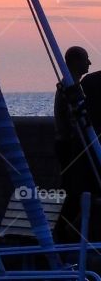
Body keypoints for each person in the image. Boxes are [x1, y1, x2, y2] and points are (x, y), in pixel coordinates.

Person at [53, 45, 101, 242]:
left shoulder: (71, 86)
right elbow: (75, 121)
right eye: (86, 59)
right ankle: (66, 232)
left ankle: (66, 231)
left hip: (68, 145)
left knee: (74, 192)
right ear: (74, 61)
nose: (89, 63)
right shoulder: (70, 88)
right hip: (69, 146)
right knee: (75, 192)